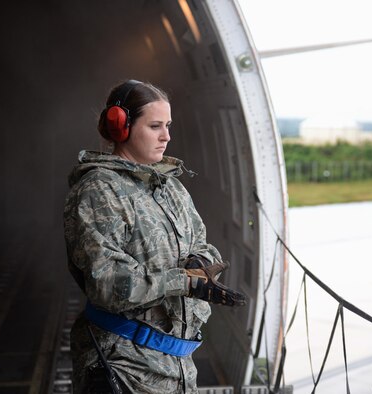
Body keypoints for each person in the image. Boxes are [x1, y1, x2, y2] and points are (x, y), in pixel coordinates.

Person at [64, 79, 246, 393]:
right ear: (121, 127)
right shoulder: (100, 189)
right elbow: (107, 284)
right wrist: (186, 281)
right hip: (125, 369)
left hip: (177, 370)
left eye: (169, 125)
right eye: (155, 126)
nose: (166, 136)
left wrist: (202, 262)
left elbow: (202, 242)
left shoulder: (172, 188)